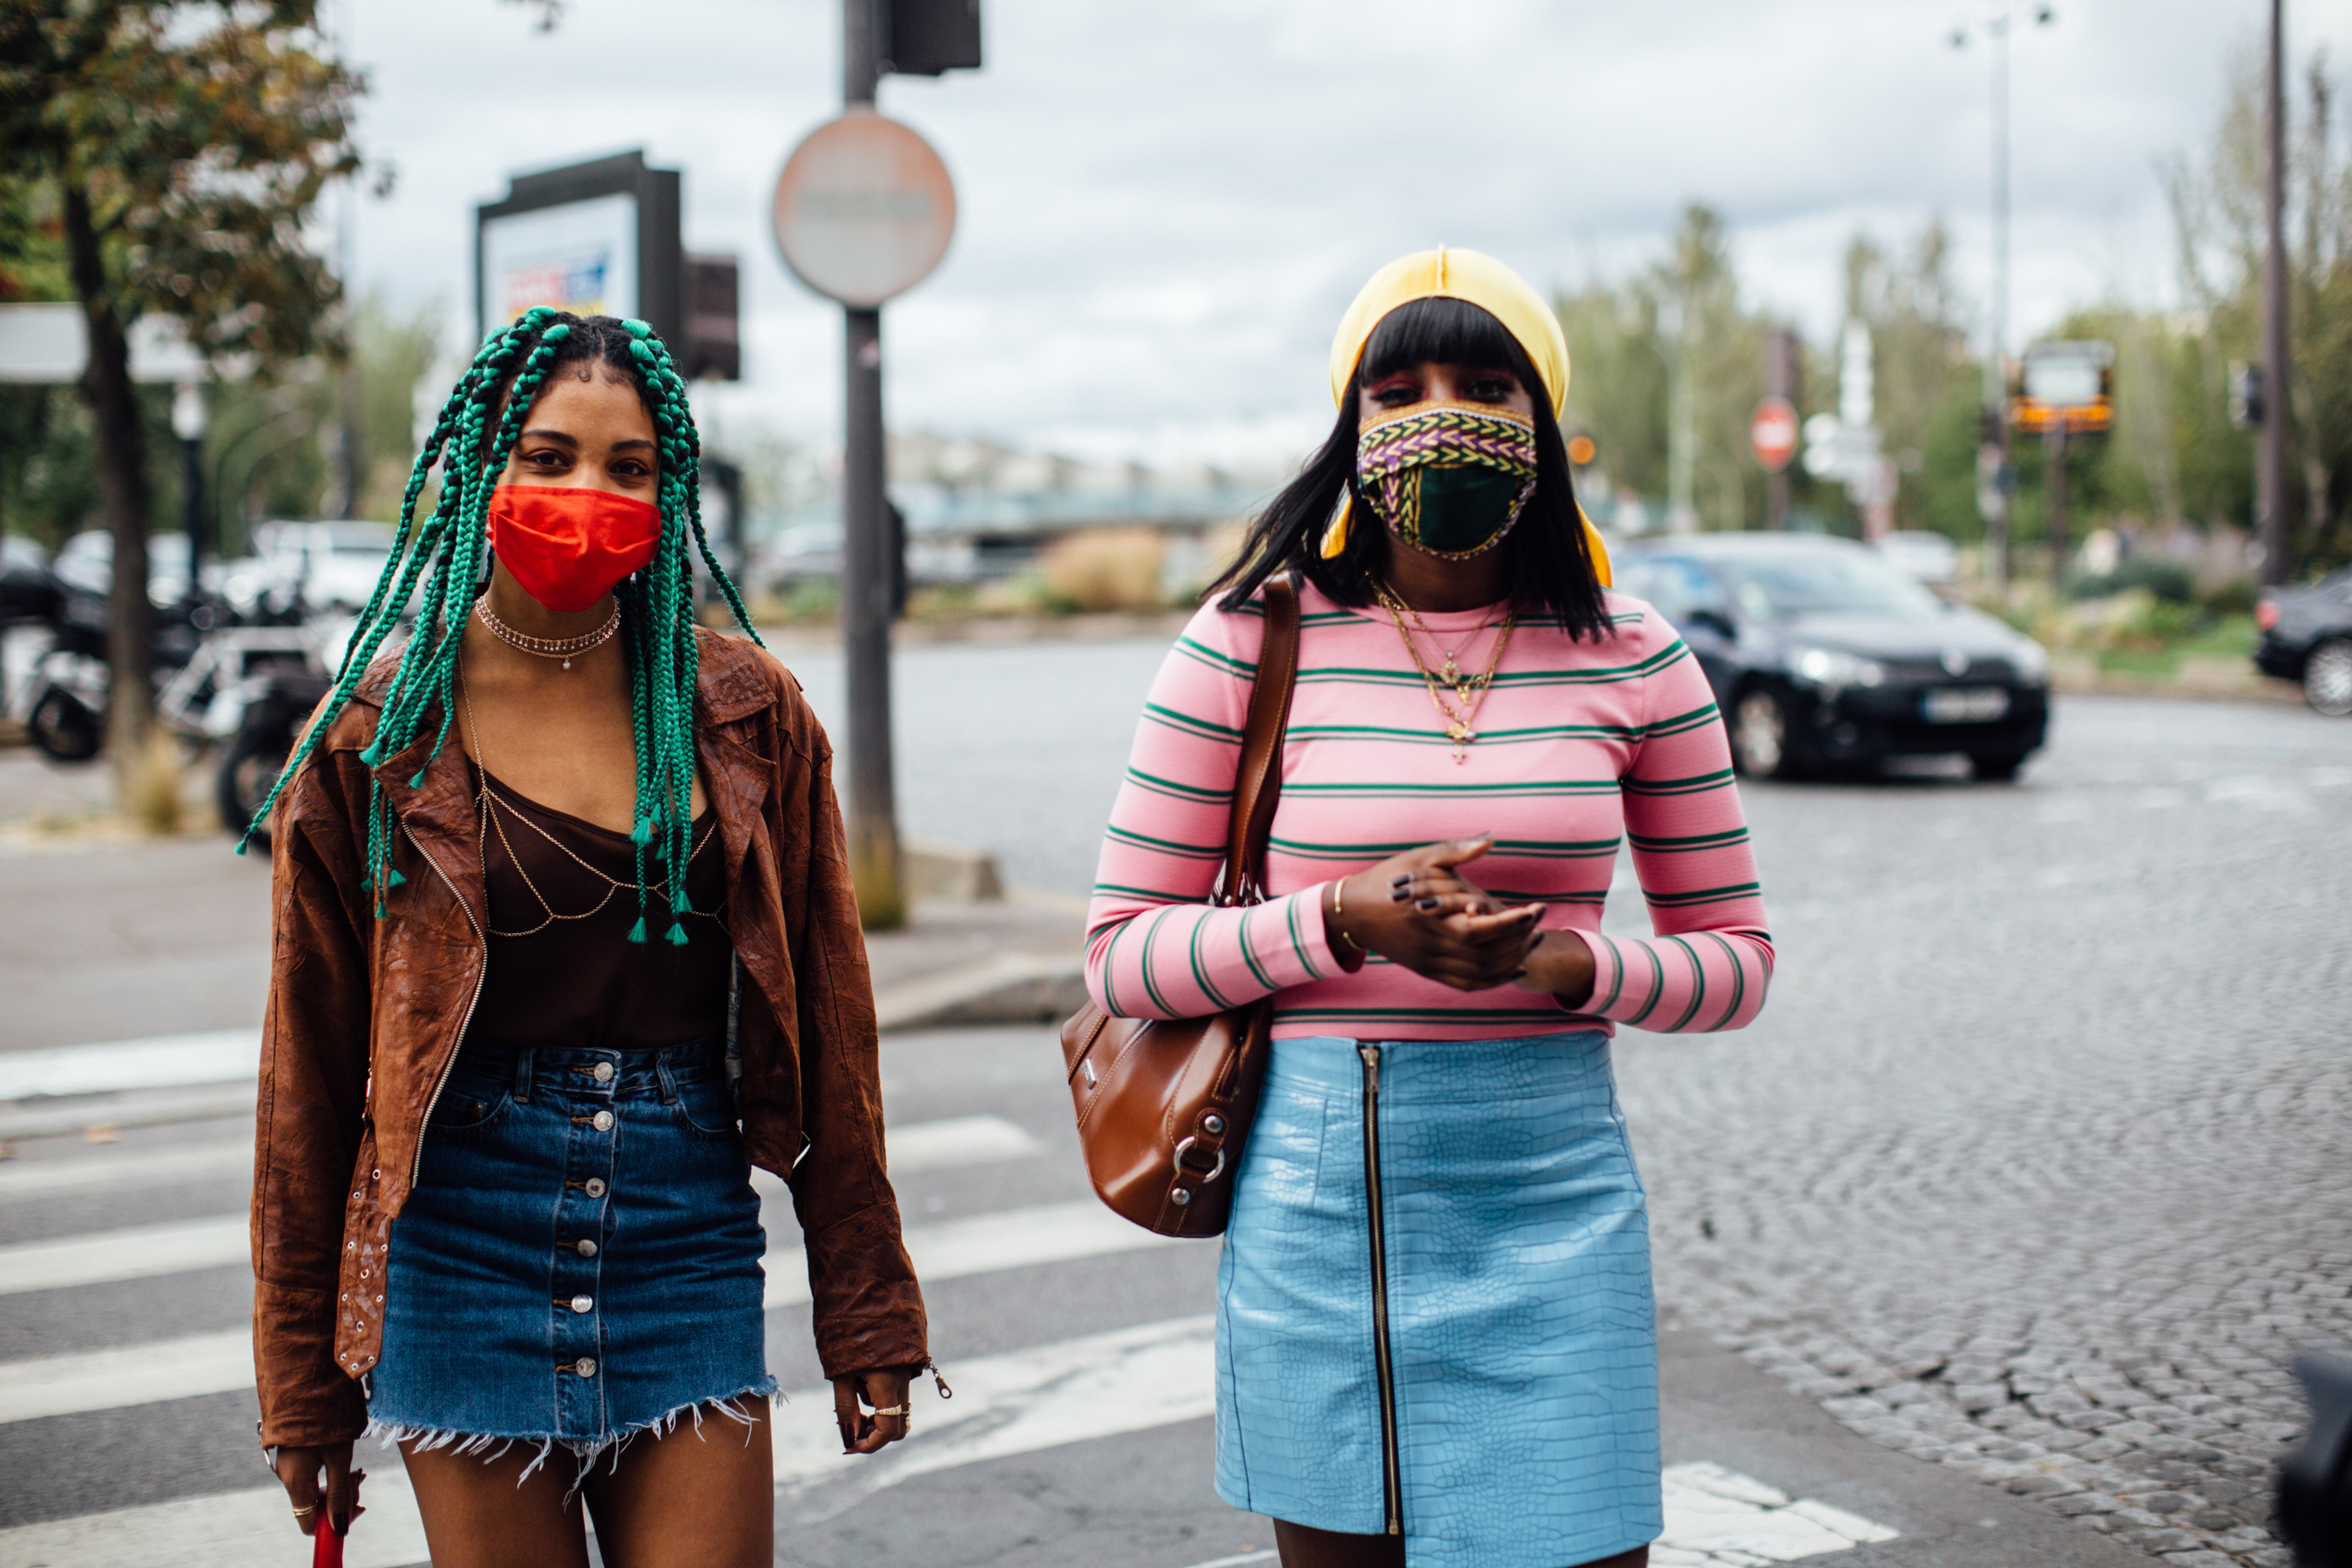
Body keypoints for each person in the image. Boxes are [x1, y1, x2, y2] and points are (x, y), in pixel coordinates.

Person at [1084, 250, 1774, 1568]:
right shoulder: (1248, 640)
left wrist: (1573, 965)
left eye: (1483, 384)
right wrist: (1340, 918)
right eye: (1396, 389)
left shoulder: (1641, 657)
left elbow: (1738, 962)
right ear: (1353, 426)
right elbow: (1122, 958)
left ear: (1545, 429)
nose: (1437, 416)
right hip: (1315, 1207)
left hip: (1554, 1193)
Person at [247, 309, 929, 1568]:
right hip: (453, 1238)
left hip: (687, 1236)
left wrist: (868, 1304)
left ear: (672, 496)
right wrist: (304, 1386)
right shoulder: (375, 736)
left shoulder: (747, 712)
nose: (587, 494)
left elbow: (834, 1024)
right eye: (548, 455)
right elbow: (308, 1077)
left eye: (631, 469)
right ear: (474, 469)